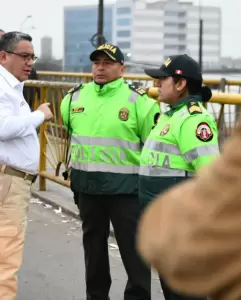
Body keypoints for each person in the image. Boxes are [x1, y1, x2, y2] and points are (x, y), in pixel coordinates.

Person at [60, 44, 161, 299]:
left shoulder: (140, 103)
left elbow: (155, 149)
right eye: (96, 63)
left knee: (134, 253)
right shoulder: (73, 99)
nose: (100, 68)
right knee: (93, 252)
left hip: (126, 192)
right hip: (87, 189)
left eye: (107, 63)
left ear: (122, 69)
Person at [140, 54, 220, 299]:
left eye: (161, 80)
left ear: (180, 84)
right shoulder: (171, 115)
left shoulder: (194, 121)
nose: (156, 85)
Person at [137, 121, 241, 300]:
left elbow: (212, 180)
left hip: (179, 220)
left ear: (180, 89)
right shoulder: (170, 116)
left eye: (162, 88)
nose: (158, 90)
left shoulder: (193, 121)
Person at [0, 31, 53, 299]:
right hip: (9, 180)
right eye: (24, 56)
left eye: (32, 56)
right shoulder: (2, 87)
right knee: (6, 259)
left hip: (9, 178)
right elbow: (3, 128)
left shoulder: (12, 87)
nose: (29, 62)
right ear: (4, 56)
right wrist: (39, 115)